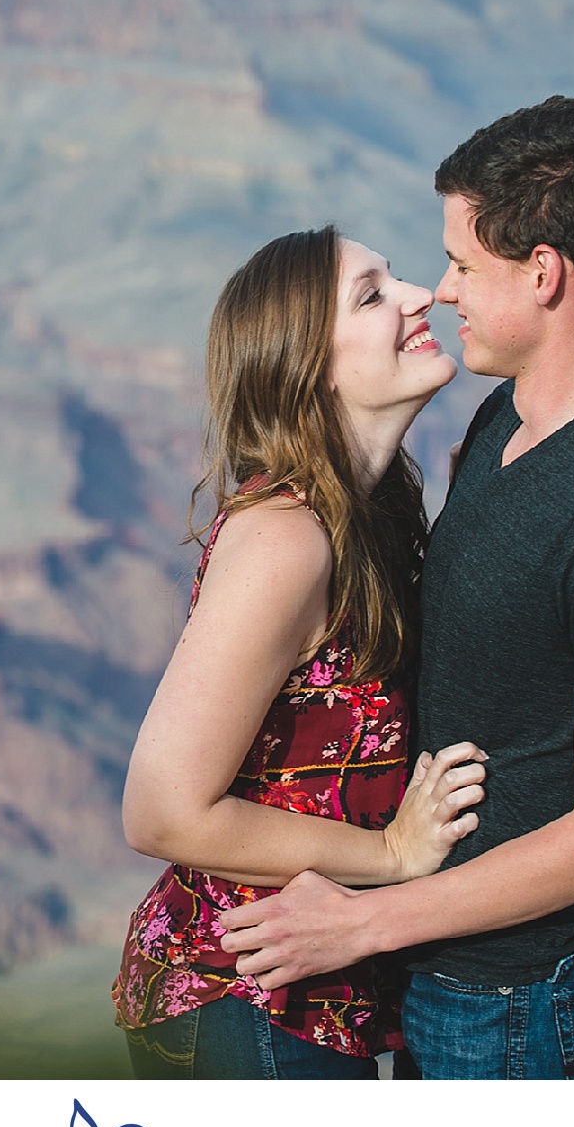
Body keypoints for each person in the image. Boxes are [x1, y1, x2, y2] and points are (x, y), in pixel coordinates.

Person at [220, 96, 574, 1080]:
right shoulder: (502, 422)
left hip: (527, 998)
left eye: (463, 262)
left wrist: (365, 922)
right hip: (450, 976)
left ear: (546, 274)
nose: (442, 289)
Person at [111, 225, 488, 1079]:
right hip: (245, 1004)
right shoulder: (288, 540)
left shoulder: (374, 510)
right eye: (372, 295)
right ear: (307, 369)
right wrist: (395, 854)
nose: (420, 296)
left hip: (313, 1005)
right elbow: (162, 812)